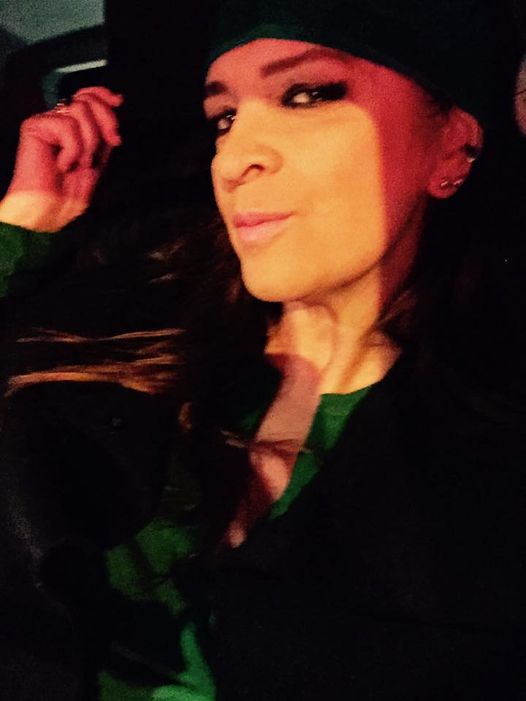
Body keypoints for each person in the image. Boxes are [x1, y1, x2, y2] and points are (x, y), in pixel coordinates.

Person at [1, 0, 526, 699]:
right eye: (224, 118)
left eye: (306, 95)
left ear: (453, 146)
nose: (235, 158)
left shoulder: (492, 452)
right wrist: (24, 229)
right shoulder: (118, 314)